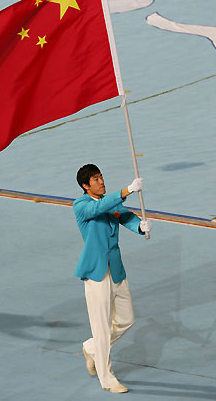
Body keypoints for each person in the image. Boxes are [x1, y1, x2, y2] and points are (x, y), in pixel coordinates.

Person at [73, 164, 152, 394]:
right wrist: (127, 190)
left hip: (115, 269)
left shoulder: (110, 202)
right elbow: (102, 207)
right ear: (85, 186)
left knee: (127, 319)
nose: (101, 181)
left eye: (101, 177)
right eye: (95, 179)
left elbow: (124, 216)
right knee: (101, 328)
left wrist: (139, 225)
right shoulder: (81, 206)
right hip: (96, 274)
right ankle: (107, 378)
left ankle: (91, 348)